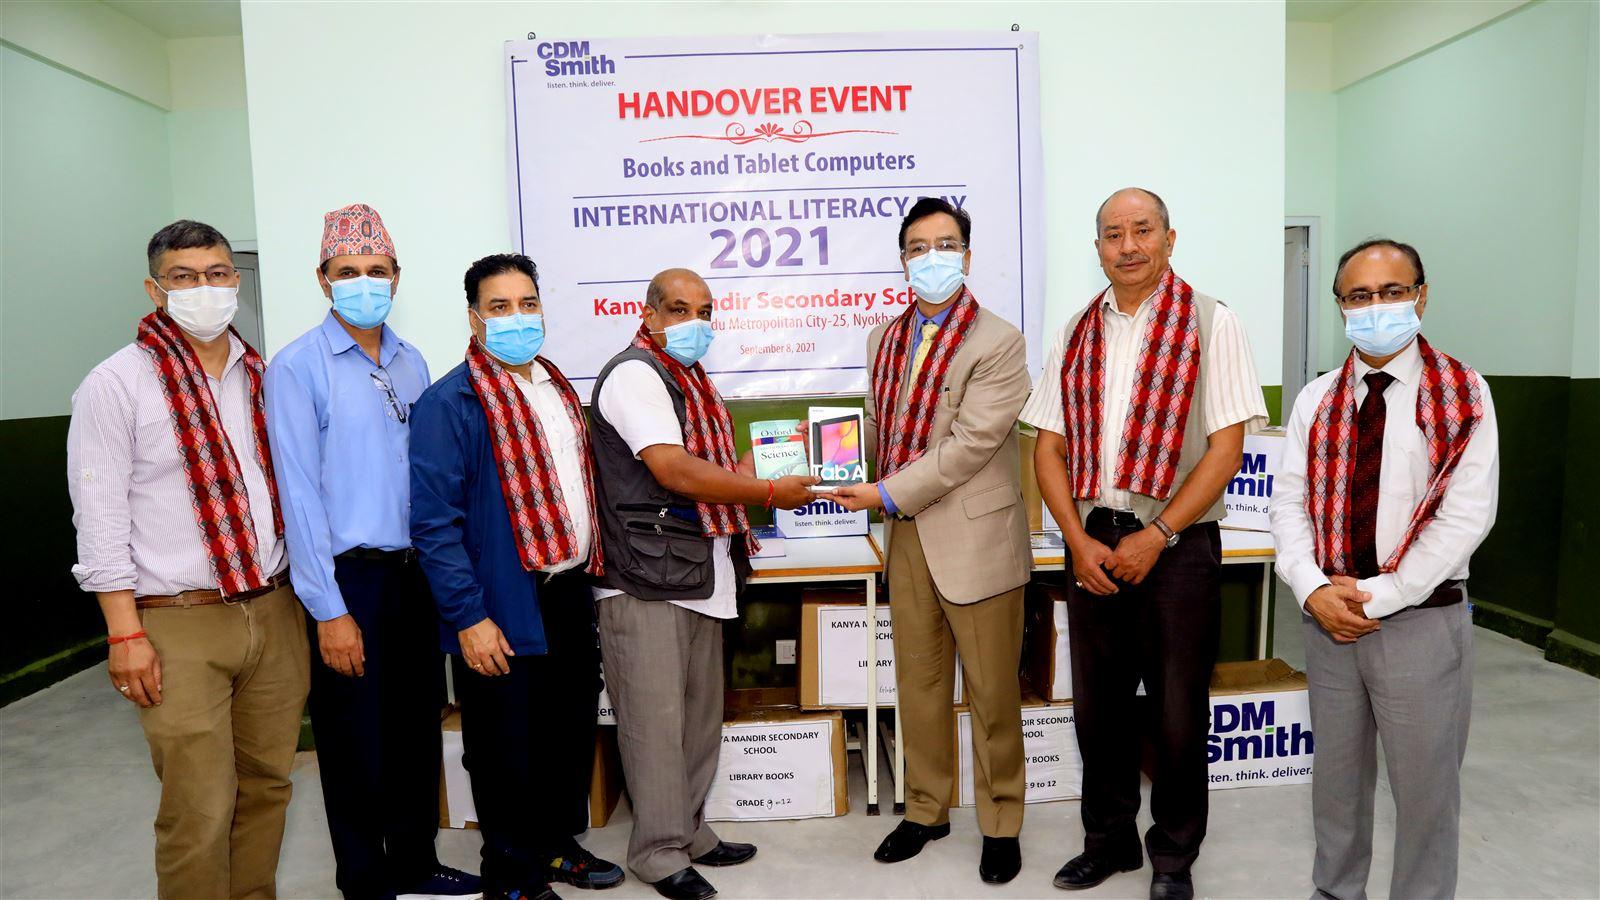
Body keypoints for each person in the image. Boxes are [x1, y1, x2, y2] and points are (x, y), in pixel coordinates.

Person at [1022, 188, 1267, 900]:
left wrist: (1159, 534)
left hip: (1180, 543)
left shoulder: (1211, 321)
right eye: (1111, 234)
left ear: (1169, 238)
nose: (1127, 245)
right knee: (1097, 706)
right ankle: (1108, 843)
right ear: (1096, 246)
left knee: (1176, 710)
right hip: (1093, 538)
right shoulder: (1075, 330)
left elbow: (1226, 449)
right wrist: (1076, 539)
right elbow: (1048, 449)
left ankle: (1172, 858)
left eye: (1142, 231)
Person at [67, 220, 310, 898]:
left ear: (235, 281)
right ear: (155, 289)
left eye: (216, 274)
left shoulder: (259, 373)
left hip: (272, 605)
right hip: (177, 623)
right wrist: (123, 633)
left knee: (267, 787)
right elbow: (101, 518)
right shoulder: (116, 384)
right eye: (183, 277)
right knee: (199, 808)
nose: (203, 288)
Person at [1270, 239, 1498, 900]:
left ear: (1421, 296)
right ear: (1341, 305)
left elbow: (1464, 519)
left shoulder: (1461, 394)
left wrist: (1382, 595)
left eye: (1393, 292)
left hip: (1420, 626)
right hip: (1331, 623)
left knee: (1426, 794)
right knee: (1336, 788)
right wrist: (1312, 589)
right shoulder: (1316, 401)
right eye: (1360, 296)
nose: (1378, 308)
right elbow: (1289, 505)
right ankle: (1336, 892)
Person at [265, 203, 477, 899]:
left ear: (397, 276)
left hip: (415, 576)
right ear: (323, 279)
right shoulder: (299, 367)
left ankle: (416, 861)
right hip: (348, 580)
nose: (365, 282)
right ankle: (364, 876)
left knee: (416, 727)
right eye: (349, 272)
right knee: (356, 738)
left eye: (377, 270)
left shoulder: (412, 361)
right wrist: (328, 610)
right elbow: (298, 495)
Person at [588, 268, 818, 900]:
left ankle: (689, 830)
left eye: (705, 309)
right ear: (651, 314)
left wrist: (760, 464)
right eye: (680, 309)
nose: (695, 321)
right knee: (656, 722)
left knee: (696, 716)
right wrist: (768, 490)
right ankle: (658, 851)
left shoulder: (688, 378)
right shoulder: (637, 373)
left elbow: (707, 471)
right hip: (646, 579)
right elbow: (672, 470)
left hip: (695, 568)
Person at [826, 198, 1033, 885]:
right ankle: (926, 809)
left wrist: (883, 492)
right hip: (907, 535)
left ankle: (1002, 821)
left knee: (992, 691)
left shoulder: (999, 340)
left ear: (968, 257)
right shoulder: (883, 338)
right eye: (919, 246)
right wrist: (851, 474)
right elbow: (879, 431)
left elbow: (971, 445)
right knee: (916, 683)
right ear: (904, 259)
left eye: (946, 244)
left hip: (974, 538)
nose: (932, 256)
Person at [410, 254, 625, 900]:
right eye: (499, 308)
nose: (517, 318)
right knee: (505, 749)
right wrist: (469, 618)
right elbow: (434, 525)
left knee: (566, 734)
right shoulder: (450, 402)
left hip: (567, 591)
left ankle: (557, 848)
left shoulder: (555, 387)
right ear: (474, 320)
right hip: (500, 602)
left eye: (527, 304)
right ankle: (513, 876)